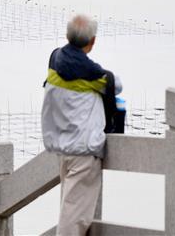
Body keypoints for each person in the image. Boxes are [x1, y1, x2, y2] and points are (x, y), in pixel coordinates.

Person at [41, 15, 122, 236]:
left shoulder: (55, 61)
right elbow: (117, 86)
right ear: (92, 41)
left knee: (69, 209)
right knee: (74, 219)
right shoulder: (94, 75)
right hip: (84, 150)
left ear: (67, 36)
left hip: (62, 147)